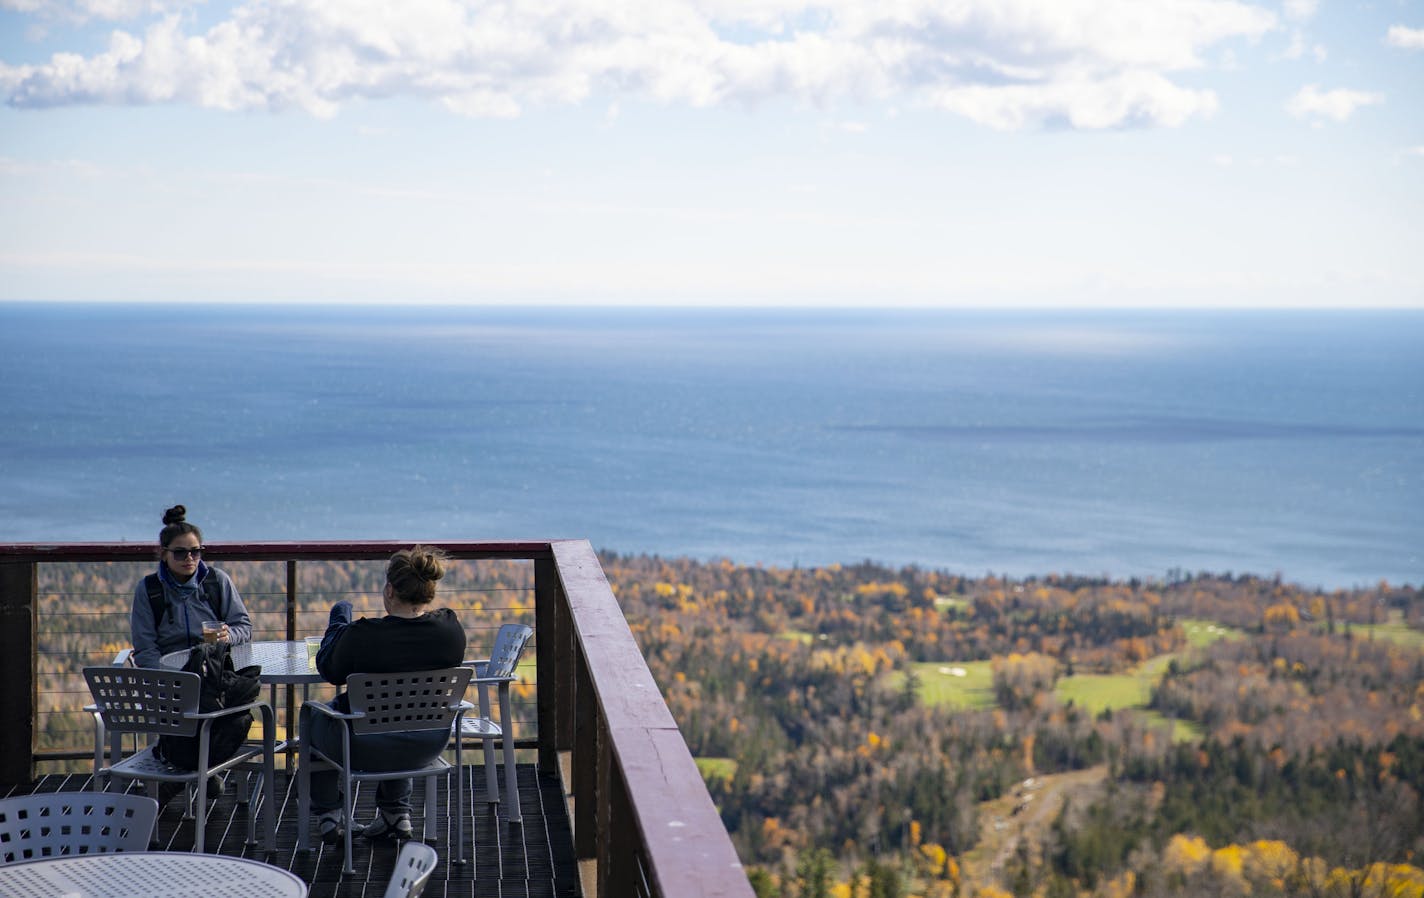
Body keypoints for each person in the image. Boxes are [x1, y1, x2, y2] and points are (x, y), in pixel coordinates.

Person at [307, 545, 466, 843]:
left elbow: (328, 669)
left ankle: (330, 815)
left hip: (362, 746)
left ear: (390, 591)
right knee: (404, 714)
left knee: (313, 715)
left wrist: (337, 622)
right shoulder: (449, 630)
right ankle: (395, 814)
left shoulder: (362, 636)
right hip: (429, 742)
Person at [130, 504, 252, 669]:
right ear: (164, 554)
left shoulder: (217, 582)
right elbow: (145, 649)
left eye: (195, 552)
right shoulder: (149, 590)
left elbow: (244, 627)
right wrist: (168, 678)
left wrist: (228, 636)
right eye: (180, 553)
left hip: (214, 673)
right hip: (168, 677)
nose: (189, 558)